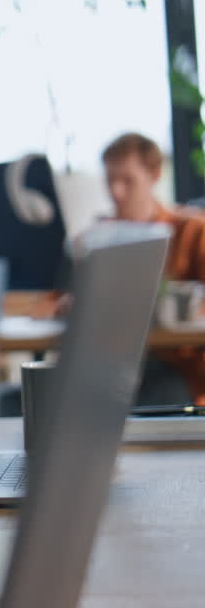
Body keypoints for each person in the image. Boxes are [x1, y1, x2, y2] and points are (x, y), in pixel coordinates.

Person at [102, 131, 205, 404]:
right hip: (108, 367)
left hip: (174, 369)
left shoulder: (192, 231)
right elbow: (49, 303)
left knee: (161, 394)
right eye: (110, 180)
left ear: (155, 174)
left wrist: (176, 305)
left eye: (127, 180)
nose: (116, 192)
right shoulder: (98, 240)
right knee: (11, 398)